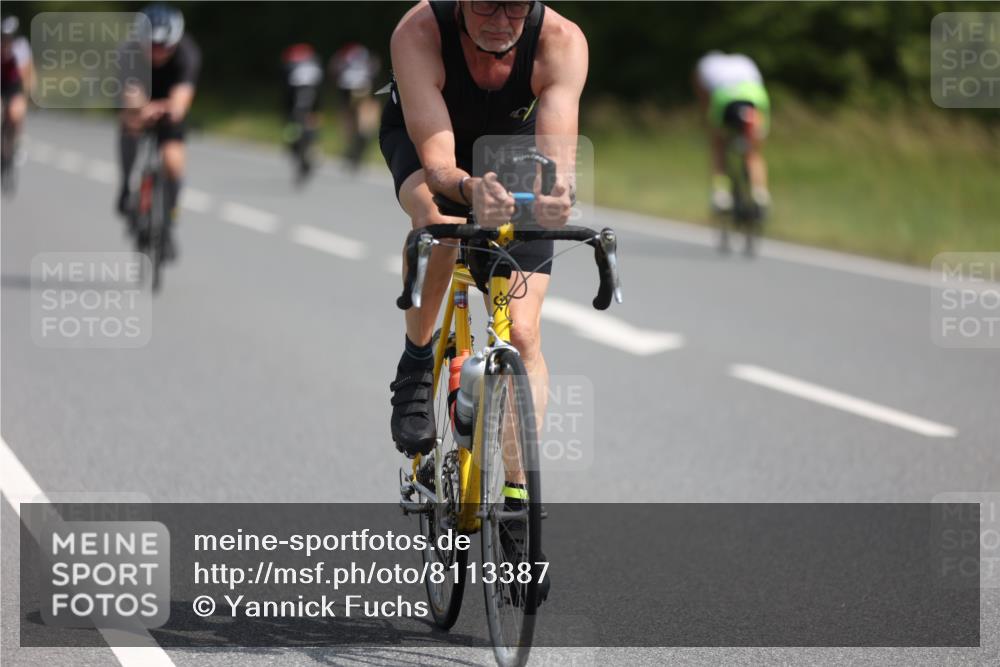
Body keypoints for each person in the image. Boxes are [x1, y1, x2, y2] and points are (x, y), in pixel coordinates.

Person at [117, 3, 200, 260]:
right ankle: (126, 185)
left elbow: (182, 99)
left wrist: (168, 108)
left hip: (169, 103)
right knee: (131, 123)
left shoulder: (187, 53)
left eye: (164, 47)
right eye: (152, 46)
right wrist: (141, 109)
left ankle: (170, 217)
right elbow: (130, 94)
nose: (158, 53)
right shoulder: (129, 52)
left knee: (173, 161)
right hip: (141, 95)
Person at [693, 51, 771, 215]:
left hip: (724, 98)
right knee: (754, 152)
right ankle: (760, 194)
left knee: (718, 146)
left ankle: (720, 194)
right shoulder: (745, 61)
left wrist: (709, 124)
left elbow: (704, 100)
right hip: (755, 97)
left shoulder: (705, 66)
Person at [329, 42, 380, 170]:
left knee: (348, 116)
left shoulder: (341, 56)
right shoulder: (367, 56)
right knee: (363, 115)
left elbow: (334, 70)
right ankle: (362, 136)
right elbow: (374, 69)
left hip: (347, 88)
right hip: (363, 86)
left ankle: (354, 144)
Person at [281, 43, 324, 182]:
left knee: (294, 134)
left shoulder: (290, 68)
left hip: (297, 107)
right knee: (308, 132)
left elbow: (286, 93)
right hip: (309, 106)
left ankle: (303, 153)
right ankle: (310, 152)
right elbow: (319, 92)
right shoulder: (315, 67)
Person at [1, 16, 32, 186]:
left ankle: (17, 142)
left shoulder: (21, 47)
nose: (7, 40)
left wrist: (27, 93)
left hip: (15, 87)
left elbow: (26, 72)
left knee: (17, 112)